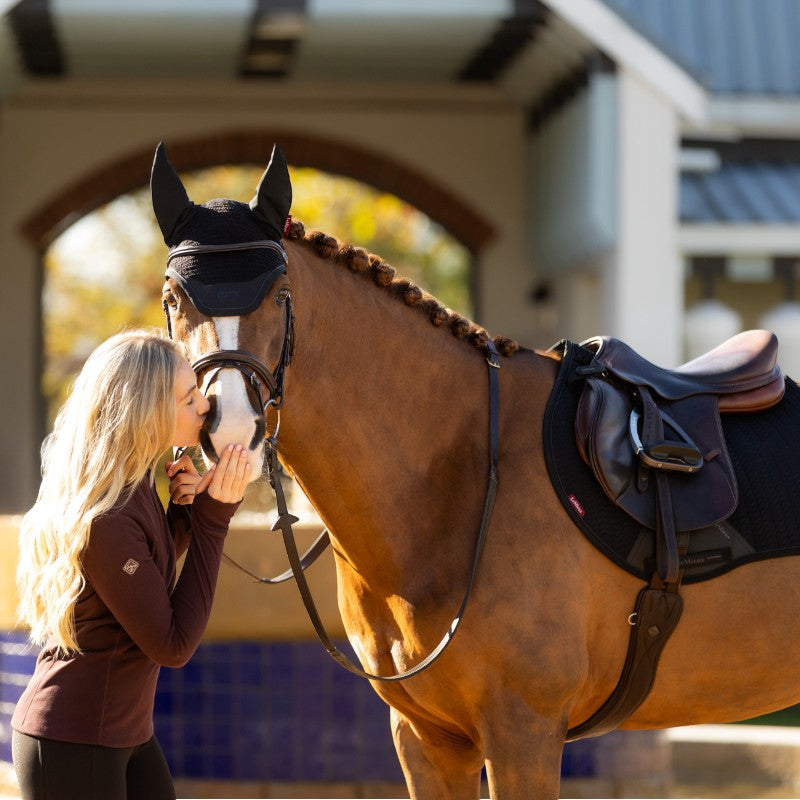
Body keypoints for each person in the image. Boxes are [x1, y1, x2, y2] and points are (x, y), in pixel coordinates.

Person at [11, 329, 249, 800]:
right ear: (147, 411)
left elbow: (137, 582)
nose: (204, 405)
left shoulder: (133, 484)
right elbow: (172, 645)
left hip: (123, 733)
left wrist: (183, 519)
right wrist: (213, 521)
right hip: (74, 741)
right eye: (188, 398)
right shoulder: (108, 516)